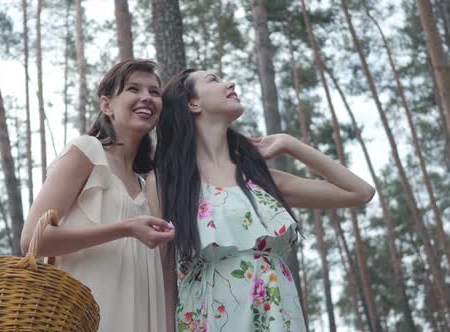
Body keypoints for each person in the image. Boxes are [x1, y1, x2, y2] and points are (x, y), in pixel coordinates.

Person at [146, 69, 375, 332]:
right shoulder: (167, 182)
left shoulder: (260, 179)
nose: (230, 82)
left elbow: (360, 192)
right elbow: (164, 268)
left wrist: (290, 144)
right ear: (192, 103)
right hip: (209, 314)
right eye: (214, 80)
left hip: (278, 312)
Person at [20, 59, 175, 332]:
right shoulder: (87, 153)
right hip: (87, 313)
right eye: (133, 89)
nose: (146, 98)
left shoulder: (149, 183)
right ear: (106, 105)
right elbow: (33, 238)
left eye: (154, 92)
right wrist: (125, 228)